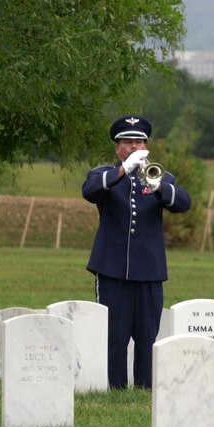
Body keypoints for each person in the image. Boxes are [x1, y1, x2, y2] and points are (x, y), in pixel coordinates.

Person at [82, 115, 192, 389]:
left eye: (139, 142)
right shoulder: (104, 175)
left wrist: (160, 188)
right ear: (117, 148)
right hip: (112, 269)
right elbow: (89, 191)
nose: (134, 147)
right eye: (128, 142)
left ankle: (145, 390)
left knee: (147, 336)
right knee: (114, 337)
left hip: (149, 270)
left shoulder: (161, 177)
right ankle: (115, 390)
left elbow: (184, 203)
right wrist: (122, 171)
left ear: (146, 147)